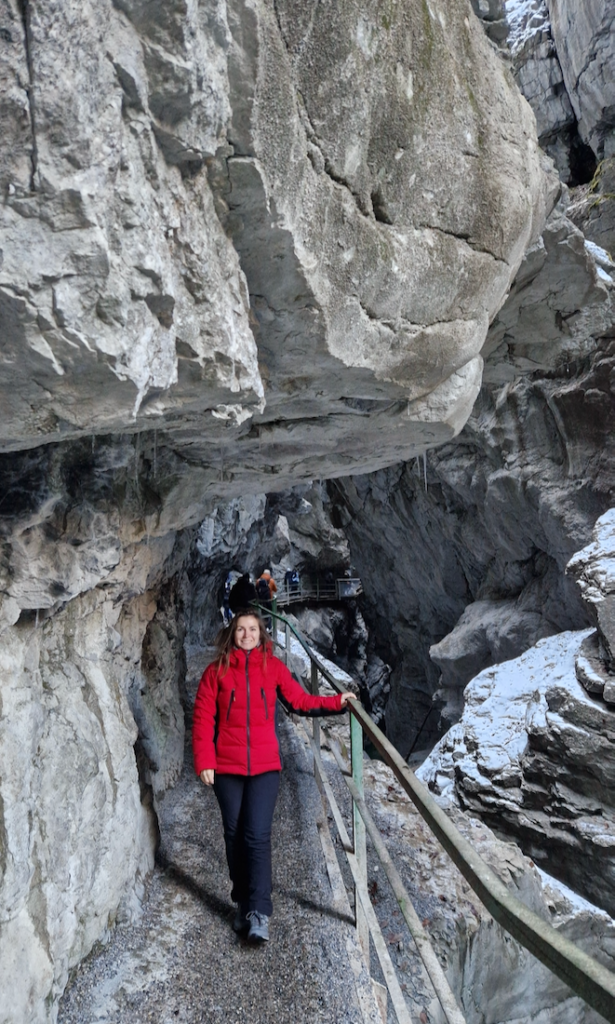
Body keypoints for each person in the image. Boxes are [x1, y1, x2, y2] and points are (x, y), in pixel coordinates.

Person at [192, 609, 357, 943]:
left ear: (262, 634)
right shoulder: (216, 672)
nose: (247, 634)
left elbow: (299, 701)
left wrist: (337, 702)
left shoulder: (273, 668)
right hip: (227, 766)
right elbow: (202, 718)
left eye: (253, 629)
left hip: (265, 766)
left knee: (256, 835)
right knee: (234, 835)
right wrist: (204, 760)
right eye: (241, 629)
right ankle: (242, 901)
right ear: (232, 634)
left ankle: (259, 912)